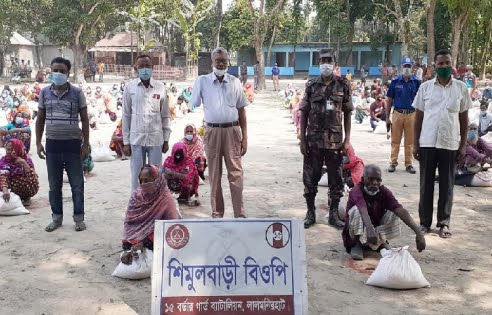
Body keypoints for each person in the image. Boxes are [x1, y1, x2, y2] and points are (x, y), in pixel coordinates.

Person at [413, 49, 471, 238]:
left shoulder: (461, 88)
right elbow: (418, 118)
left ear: (451, 65)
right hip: (428, 142)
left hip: (449, 143)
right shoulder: (425, 88)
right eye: (441, 64)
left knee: (447, 185)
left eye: (447, 63)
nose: (444, 66)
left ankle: (444, 223)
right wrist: (415, 143)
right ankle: (424, 223)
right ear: (434, 66)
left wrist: (463, 145)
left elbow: (464, 119)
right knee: (426, 184)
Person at [298, 48, 353, 229]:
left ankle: (334, 214)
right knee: (310, 178)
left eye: (329, 60)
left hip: (335, 141)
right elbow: (304, 112)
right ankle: (310, 213)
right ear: (318, 63)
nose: (326, 63)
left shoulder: (343, 85)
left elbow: (347, 113)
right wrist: (302, 138)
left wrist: (347, 140)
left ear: (335, 64)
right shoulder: (311, 85)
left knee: (336, 179)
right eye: (322, 60)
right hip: (313, 140)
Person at [191, 47, 248, 218]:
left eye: (224, 60)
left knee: (236, 173)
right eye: (218, 60)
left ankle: (239, 214)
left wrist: (245, 138)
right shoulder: (202, 81)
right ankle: (217, 213)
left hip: (232, 131)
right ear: (212, 62)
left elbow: (242, 112)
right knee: (214, 174)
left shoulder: (235, 82)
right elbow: (193, 103)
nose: (221, 63)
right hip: (212, 131)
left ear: (228, 62)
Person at [36, 57, 90, 232]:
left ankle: (79, 219)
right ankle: (57, 218)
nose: (58, 74)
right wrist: (38, 143)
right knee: (54, 186)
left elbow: (84, 119)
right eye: (55, 70)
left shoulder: (77, 93)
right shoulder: (44, 93)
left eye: (62, 71)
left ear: (68, 73)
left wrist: (85, 144)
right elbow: (40, 119)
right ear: (50, 71)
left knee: (77, 184)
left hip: (73, 144)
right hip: (52, 145)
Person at [342, 165, 426, 260]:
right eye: (371, 179)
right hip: (359, 230)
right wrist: (370, 229)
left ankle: (379, 243)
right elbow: (363, 210)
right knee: (356, 211)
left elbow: (400, 210)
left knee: (394, 213)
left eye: (378, 180)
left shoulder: (384, 192)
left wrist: (418, 232)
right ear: (363, 179)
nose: (374, 183)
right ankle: (356, 245)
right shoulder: (356, 191)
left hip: (374, 230)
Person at [122, 54, 172, 193]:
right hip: (136, 139)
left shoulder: (160, 87)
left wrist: (166, 139)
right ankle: (137, 205)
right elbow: (126, 115)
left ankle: (156, 205)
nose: (144, 69)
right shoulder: (130, 87)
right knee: (137, 176)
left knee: (156, 175)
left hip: (156, 139)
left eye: (147, 66)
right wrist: (126, 142)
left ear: (152, 68)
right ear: (136, 68)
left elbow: (165, 115)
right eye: (141, 66)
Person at [120, 164, 181, 265]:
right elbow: (129, 223)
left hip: (156, 239)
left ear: (157, 180)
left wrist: (144, 242)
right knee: (129, 250)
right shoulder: (136, 197)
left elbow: (171, 228)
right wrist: (130, 245)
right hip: (136, 240)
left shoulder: (166, 199)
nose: (144, 184)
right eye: (141, 180)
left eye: (147, 180)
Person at [385, 57, 420, 174]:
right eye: (405, 66)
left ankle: (409, 164)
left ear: (412, 68)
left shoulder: (416, 82)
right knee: (395, 140)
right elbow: (389, 100)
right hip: (397, 114)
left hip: (411, 114)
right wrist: (387, 118)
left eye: (409, 66)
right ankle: (393, 162)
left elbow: (420, 101)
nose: (407, 68)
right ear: (401, 67)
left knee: (410, 141)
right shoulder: (395, 82)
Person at [0, 139, 39, 206]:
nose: (8, 152)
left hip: (24, 188)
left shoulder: (26, 159)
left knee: (31, 174)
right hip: (9, 189)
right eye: (8, 149)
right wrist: (5, 190)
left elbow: (32, 178)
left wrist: (24, 163)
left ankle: (26, 197)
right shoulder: (4, 160)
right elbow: (3, 176)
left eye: (11, 149)